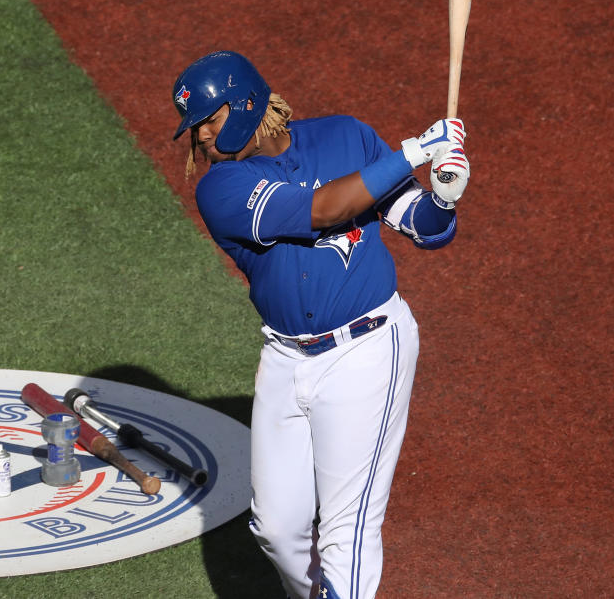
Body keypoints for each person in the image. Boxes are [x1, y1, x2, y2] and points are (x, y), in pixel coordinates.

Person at [170, 50, 469, 599]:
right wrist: (414, 151)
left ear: (243, 105)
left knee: (346, 530)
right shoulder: (222, 189)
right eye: (195, 130)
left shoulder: (346, 138)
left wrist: (445, 196)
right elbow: (326, 209)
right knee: (277, 529)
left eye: (209, 122)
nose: (203, 139)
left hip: (368, 350)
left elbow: (425, 229)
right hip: (285, 359)